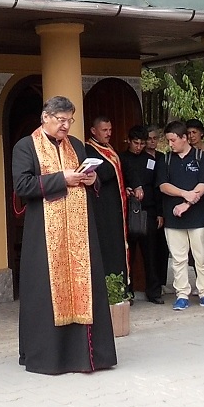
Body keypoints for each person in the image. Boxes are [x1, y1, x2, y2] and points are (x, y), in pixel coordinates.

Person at [11, 95, 117, 374]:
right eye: (61, 120)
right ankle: (50, 357)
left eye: (70, 120)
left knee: (85, 285)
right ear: (45, 117)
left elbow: (88, 179)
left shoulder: (77, 146)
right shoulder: (26, 146)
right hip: (44, 235)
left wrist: (91, 179)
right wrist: (63, 179)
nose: (66, 126)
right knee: (46, 291)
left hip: (80, 231)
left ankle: (87, 356)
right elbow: (23, 185)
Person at [156, 121, 204, 310]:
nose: (170, 144)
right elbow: (163, 186)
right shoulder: (165, 160)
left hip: (199, 216)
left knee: (202, 257)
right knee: (178, 258)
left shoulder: (201, 157)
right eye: (168, 141)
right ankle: (182, 294)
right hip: (173, 218)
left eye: (173, 140)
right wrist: (184, 194)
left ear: (184, 138)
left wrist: (187, 203)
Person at [120, 125, 163, 304]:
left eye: (141, 143)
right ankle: (127, 293)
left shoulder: (151, 160)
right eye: (135, 143)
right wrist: (127, 190)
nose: (138, 147)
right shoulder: (120, 159)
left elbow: (157, 187)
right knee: (128, 255)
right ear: (128, 141)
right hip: (127, 213)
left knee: (151, 255)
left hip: (149, 211)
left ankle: (153, 292)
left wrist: (160, 213)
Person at [85, 116, 129, 288]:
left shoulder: (108, 148)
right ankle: (111, 290)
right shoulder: (88, 149)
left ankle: (122, 287)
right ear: (93, 131)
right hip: (102, 209)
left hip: (116, 208)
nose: (109, 133)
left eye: (110, 130)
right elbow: (102, 173)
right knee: (108, 248)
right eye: (105, 130)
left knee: (118, 247)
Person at [145, 125, 169, 294]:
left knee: (163, 247)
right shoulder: (140, 158)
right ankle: (151, 286)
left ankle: (162, 281)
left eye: (155, 138)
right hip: (149, 206)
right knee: (151, 249)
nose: (152, 142)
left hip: (164, 204)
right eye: (149, 138)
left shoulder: (163, 157)